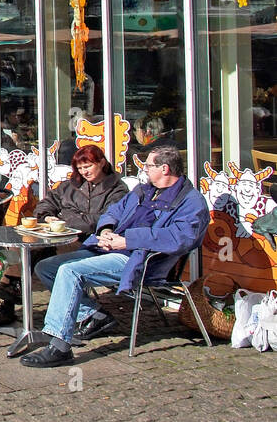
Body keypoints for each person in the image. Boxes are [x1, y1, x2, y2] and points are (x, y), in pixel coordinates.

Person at [20, 144, 209, 367]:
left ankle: (60, 344)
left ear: (165, 169)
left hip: (141, 260)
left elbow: (180, 237)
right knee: (46, 267)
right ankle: (94, 315)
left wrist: (128, 240)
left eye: (148, 165)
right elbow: (113, 212)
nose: (145, 169)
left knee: (69, 271)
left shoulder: (191, 202)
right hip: (111, 247)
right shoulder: (143, 191)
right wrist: (106, 230)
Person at [0, 143, 128, 326]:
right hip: (57, 235)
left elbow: (103, 219)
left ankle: (13, 295)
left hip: (87, 240)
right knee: (22, 247)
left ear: (102, 163)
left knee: (41, 253)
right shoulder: (70, 185)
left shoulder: (117, 190)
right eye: (80, 168)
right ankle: (11, 293)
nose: (84, 172)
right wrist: (48, 216)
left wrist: (65, 220)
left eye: (88, 166)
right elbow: (46, 202)